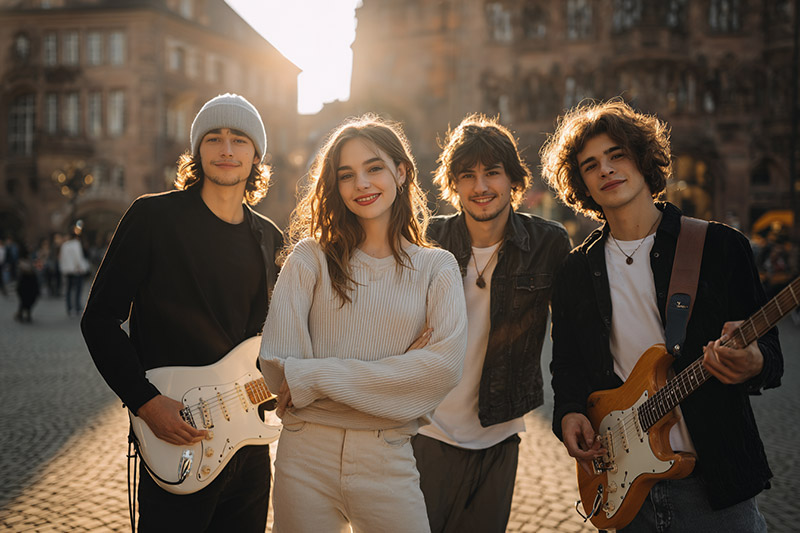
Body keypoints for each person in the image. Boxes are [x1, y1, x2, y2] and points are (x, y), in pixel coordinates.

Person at [539, 99, 783, 531]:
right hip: (626, 488)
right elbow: (568, 365)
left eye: (617, 155)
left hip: (715, 487)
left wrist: (753, 361)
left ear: (642, 159)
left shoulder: (721, 247)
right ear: (582, 183)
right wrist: (570, 413)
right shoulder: (575, 271)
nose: (605, 170)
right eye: (590, 165)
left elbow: (771, 355)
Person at [81, 93, 283, 532]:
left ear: (256, 156)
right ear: (197, 150)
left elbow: (277, 338)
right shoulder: (153, 217)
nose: (226, 149)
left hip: (249, 446)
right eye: (214, 138)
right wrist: (145, 402)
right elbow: (99, 319)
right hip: (174, 433)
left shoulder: (269, 237)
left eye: (239, 139)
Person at [258, 114, 467, 533]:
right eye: (347, 175)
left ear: (401, 172)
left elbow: (441, 370)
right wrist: (397, 369)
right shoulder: (310, 258)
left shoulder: (436, 267)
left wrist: (313, 378)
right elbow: (279, 371)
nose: (362, 184)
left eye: (374, 168)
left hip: (387, 454)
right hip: (305, 455)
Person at [409, 113, 570, 532]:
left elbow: (573, 336)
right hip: (424, 432)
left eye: (492, 173)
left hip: (500, 434)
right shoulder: (427, 239)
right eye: (468, 175)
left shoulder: (548, 243)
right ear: (454, 184)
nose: (480, 187)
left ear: (513, 179)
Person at [59, 222, 89, 316]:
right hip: (76, 270)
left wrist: (63, 268)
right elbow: (78, 258)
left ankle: (69, 308)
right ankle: (77, 307)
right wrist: (81, 267)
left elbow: (62, 258)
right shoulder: (76, 244)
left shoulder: (65, 245)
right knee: (78, 290)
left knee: (68, 290)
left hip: (68, 270)